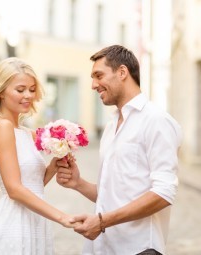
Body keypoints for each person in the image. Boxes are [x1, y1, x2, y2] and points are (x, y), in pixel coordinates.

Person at [56, 45, 182, 255]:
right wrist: (78, 184)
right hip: (103, 248)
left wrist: (102, 221)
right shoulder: (111, 124)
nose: (93, 85)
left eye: (98, 75)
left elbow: (163, 193)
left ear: (122, 72)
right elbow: (112, 195)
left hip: (138, 248)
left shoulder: (156, 121)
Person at [0, 57, 77, 255]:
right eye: (20, 89)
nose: (28, 95)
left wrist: (53, 167)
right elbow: (14, 189)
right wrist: (62, 217)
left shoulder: (25, 132)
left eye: (31, 89)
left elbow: (34, 185)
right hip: (15, 224)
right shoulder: (2, 127)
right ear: (2, 92)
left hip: (35, 220)